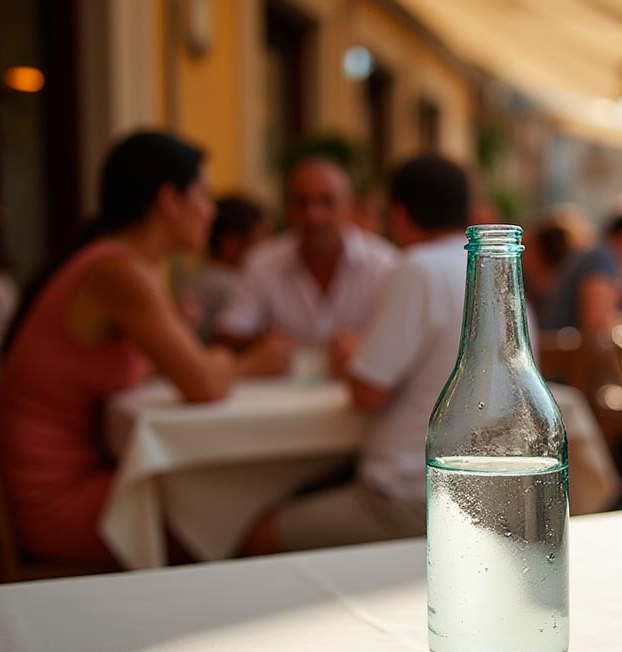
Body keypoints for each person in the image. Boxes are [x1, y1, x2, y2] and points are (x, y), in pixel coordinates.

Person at [0, 131, 290, 566]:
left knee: (212, 505)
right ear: (169, 200)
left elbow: (134, 370)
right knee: (235, 524)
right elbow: (204, 386)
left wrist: (176, 347)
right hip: (54, 503)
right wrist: (249, 362)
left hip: (43, 486)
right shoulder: (120, 272)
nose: (210, 210)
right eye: (202, 194)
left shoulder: (107, 262)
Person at [243, 155, 472, 554]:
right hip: (478, 489)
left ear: (398, 214)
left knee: (257, 533)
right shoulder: (489, 264)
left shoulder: (418, 268)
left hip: (413, 493)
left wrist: (352, 359)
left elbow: (367, 394)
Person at [217, 156, 398, 346]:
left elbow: (404, 342)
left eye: (327, 202)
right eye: (302, 202)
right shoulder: (262, 262)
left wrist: (364, 347)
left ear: (350, 206)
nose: (313, 215)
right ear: (287, 207)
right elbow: (229, 334)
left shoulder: (384, 265)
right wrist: (262, 344)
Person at [541, 210, 622, 334]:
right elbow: (596, 323)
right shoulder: (601, 258)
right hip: (564, 350)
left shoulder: (594, 254)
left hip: (561, 346)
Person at [184, 194, 268, 342]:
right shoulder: (228, 286)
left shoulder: (202, 276)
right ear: (230, 243)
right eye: (259, 241)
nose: (267, 250)